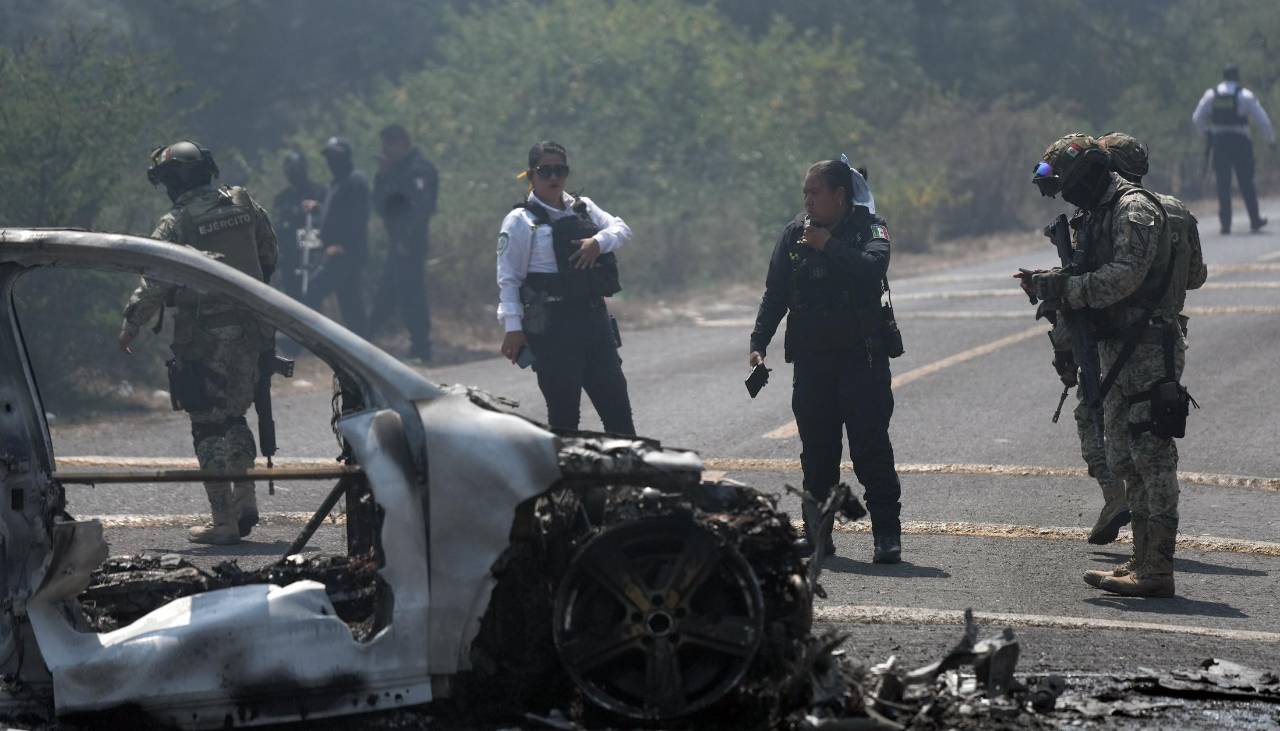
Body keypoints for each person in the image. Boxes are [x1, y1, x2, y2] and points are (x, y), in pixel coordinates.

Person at [1027, 133, 1199, 597]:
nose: (1065, 195)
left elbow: (1124, 277)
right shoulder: (1101, 213)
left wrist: (1065, 289)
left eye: (1068, 184)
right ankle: (1142, 560)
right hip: (1114, 348)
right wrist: (1054, 281)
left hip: (1146, 348)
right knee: (1127, 459)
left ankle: (1157, 568)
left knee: (1153, 457)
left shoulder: (1134, 210)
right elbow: (1090, 271)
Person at [118, 140, 278, 545]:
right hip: (253, 326)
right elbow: (269, 254)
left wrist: (131, 323)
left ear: (173, 181)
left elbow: (155, 280)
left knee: (207, 424)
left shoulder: (176, 223)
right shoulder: (244, 204)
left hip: (203, 336)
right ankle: (245, 500)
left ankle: (223, 521)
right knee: (236, 415)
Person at [750, 159, 903, 563]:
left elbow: (872, 269)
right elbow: (775, 293)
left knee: (871, 450)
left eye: (815, 192)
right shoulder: (793, 235)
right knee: (817, 455)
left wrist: (828, 246)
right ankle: (818, 535)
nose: (808, 201)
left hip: (862, 362)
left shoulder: (871, 228)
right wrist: (758, 342)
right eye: (805, 193)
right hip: (813, 364)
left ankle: (887, 536)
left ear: (839, 196)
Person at [496, 140, 636, 435]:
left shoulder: (583, 207)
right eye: (544, 171)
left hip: (594, 322)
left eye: (560, 170)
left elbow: (621, 229)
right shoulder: (520, 221)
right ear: (531, 175)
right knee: (564, 421)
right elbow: (509, 278)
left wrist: (598, 242)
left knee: (619, 415)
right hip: (553, 329)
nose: (553, 178)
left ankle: (631, 480)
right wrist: (513, 327)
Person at [371, 124, 438, 362]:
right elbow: (381, 205)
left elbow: (422, 209)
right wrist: (382, 176)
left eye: (388, 146)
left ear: (400, 143)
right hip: (396, 242)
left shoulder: (419, 169)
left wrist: (406, 240)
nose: (385, 152)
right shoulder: (394, 170)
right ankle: (367, 340)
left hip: (411, 243)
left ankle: (422, 348)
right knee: (390, 293)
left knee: (411, 295)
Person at [1192, 64, 1275, 234]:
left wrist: (1207, 134)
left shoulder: (1211, 95)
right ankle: (1255, 219)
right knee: (1246, 182)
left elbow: (1197, 118)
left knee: (1223, 184)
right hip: (1240, 143)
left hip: (1219, 143)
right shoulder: (1245, 95)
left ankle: (1226, 224)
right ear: (1237, 77)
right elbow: (1263, 120)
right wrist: (1271, 140)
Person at [304, 136, 369, 336]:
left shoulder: (355, 180)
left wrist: (343, 245)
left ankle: (307, 339)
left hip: (344, 252)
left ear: (345, 157)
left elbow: (358, 216)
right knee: (350, 303)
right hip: (336, 251)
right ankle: (363, 349)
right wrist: (318, 208)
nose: (331, 161)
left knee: (313, 290)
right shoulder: (336, 183)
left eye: (335, 157)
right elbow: (337, 213)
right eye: (329, 157)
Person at [271, 150, 326, 301]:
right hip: (288, 255)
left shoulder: (319, 192)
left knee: (312, 295)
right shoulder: (282, 198)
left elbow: (330, 215)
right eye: (290, 170)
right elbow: (277, 224)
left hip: (311, 253)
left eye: (297, 169)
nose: (294, 174)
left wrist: (317, 207)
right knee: (291, 296)